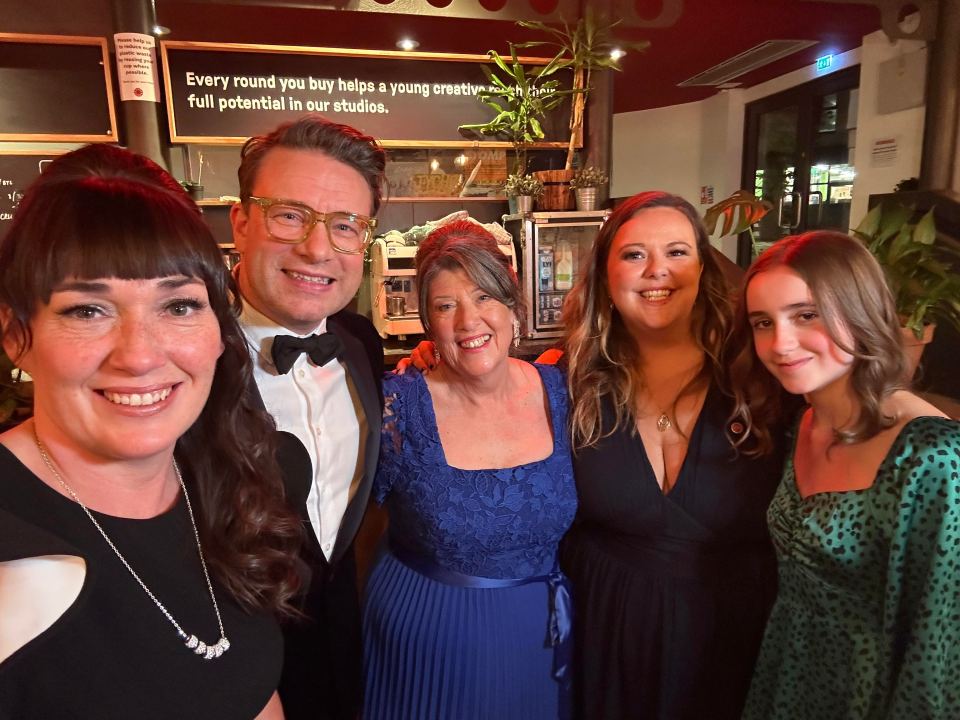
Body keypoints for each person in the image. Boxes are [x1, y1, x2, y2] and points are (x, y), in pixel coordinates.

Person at [406, 192, 788, 719]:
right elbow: (485, 387)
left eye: (677, 252)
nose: (657, 272)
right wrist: (438, 360)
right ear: (606, 275)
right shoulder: (569, 381)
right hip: (602, 640)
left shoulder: (765, 376)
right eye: (633, 255)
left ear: (705, 267)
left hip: (732, 641)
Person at [0, 144, 303, 719]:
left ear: (219, 329)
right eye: (87, 310)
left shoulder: (241, 480)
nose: (139, 356)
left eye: (180, 306)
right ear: (17, 335)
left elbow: (251, 691)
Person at [729, 231, 959, 719]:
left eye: (806, 315)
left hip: (867, 695)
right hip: (787, 677)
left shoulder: (931, 457)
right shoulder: (801, 422)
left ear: (860, 310)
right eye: (763, 323)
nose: (781, 343)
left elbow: (938, 652)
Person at [363, 220, 577, 720]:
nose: (468, 321)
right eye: (445, 305)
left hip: (540, 638)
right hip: (428, 636)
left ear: (512, 308)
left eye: (484, 297)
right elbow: (353, 528)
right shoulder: (397, 406)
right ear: (427, 323)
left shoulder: (564, 391)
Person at [229, 114, 387, 720]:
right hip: (225, 670)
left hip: (344, 656)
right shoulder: (181, 362)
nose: (318, 248)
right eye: (290, 215)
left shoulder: (359, 343)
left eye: (345, 225)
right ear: (240, 223)